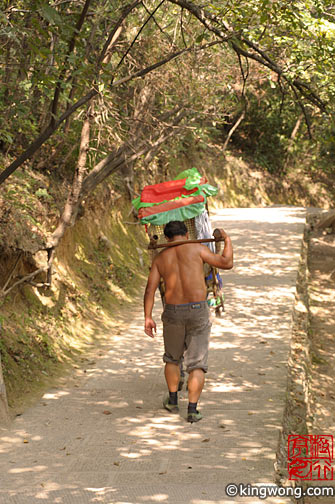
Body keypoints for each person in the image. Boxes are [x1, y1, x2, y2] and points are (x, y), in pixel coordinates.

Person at [143, 220, 233, 423]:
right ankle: (192, 410)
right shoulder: (198, 249)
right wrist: (226, 239)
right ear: (186, 234)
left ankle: (173, 401)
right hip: (197, 311)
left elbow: (150, 290)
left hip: (173, 311)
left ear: (167, 238)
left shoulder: (160, 258)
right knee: (197, 364)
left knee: (172, 358)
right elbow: (227, 263)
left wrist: (148, 317)